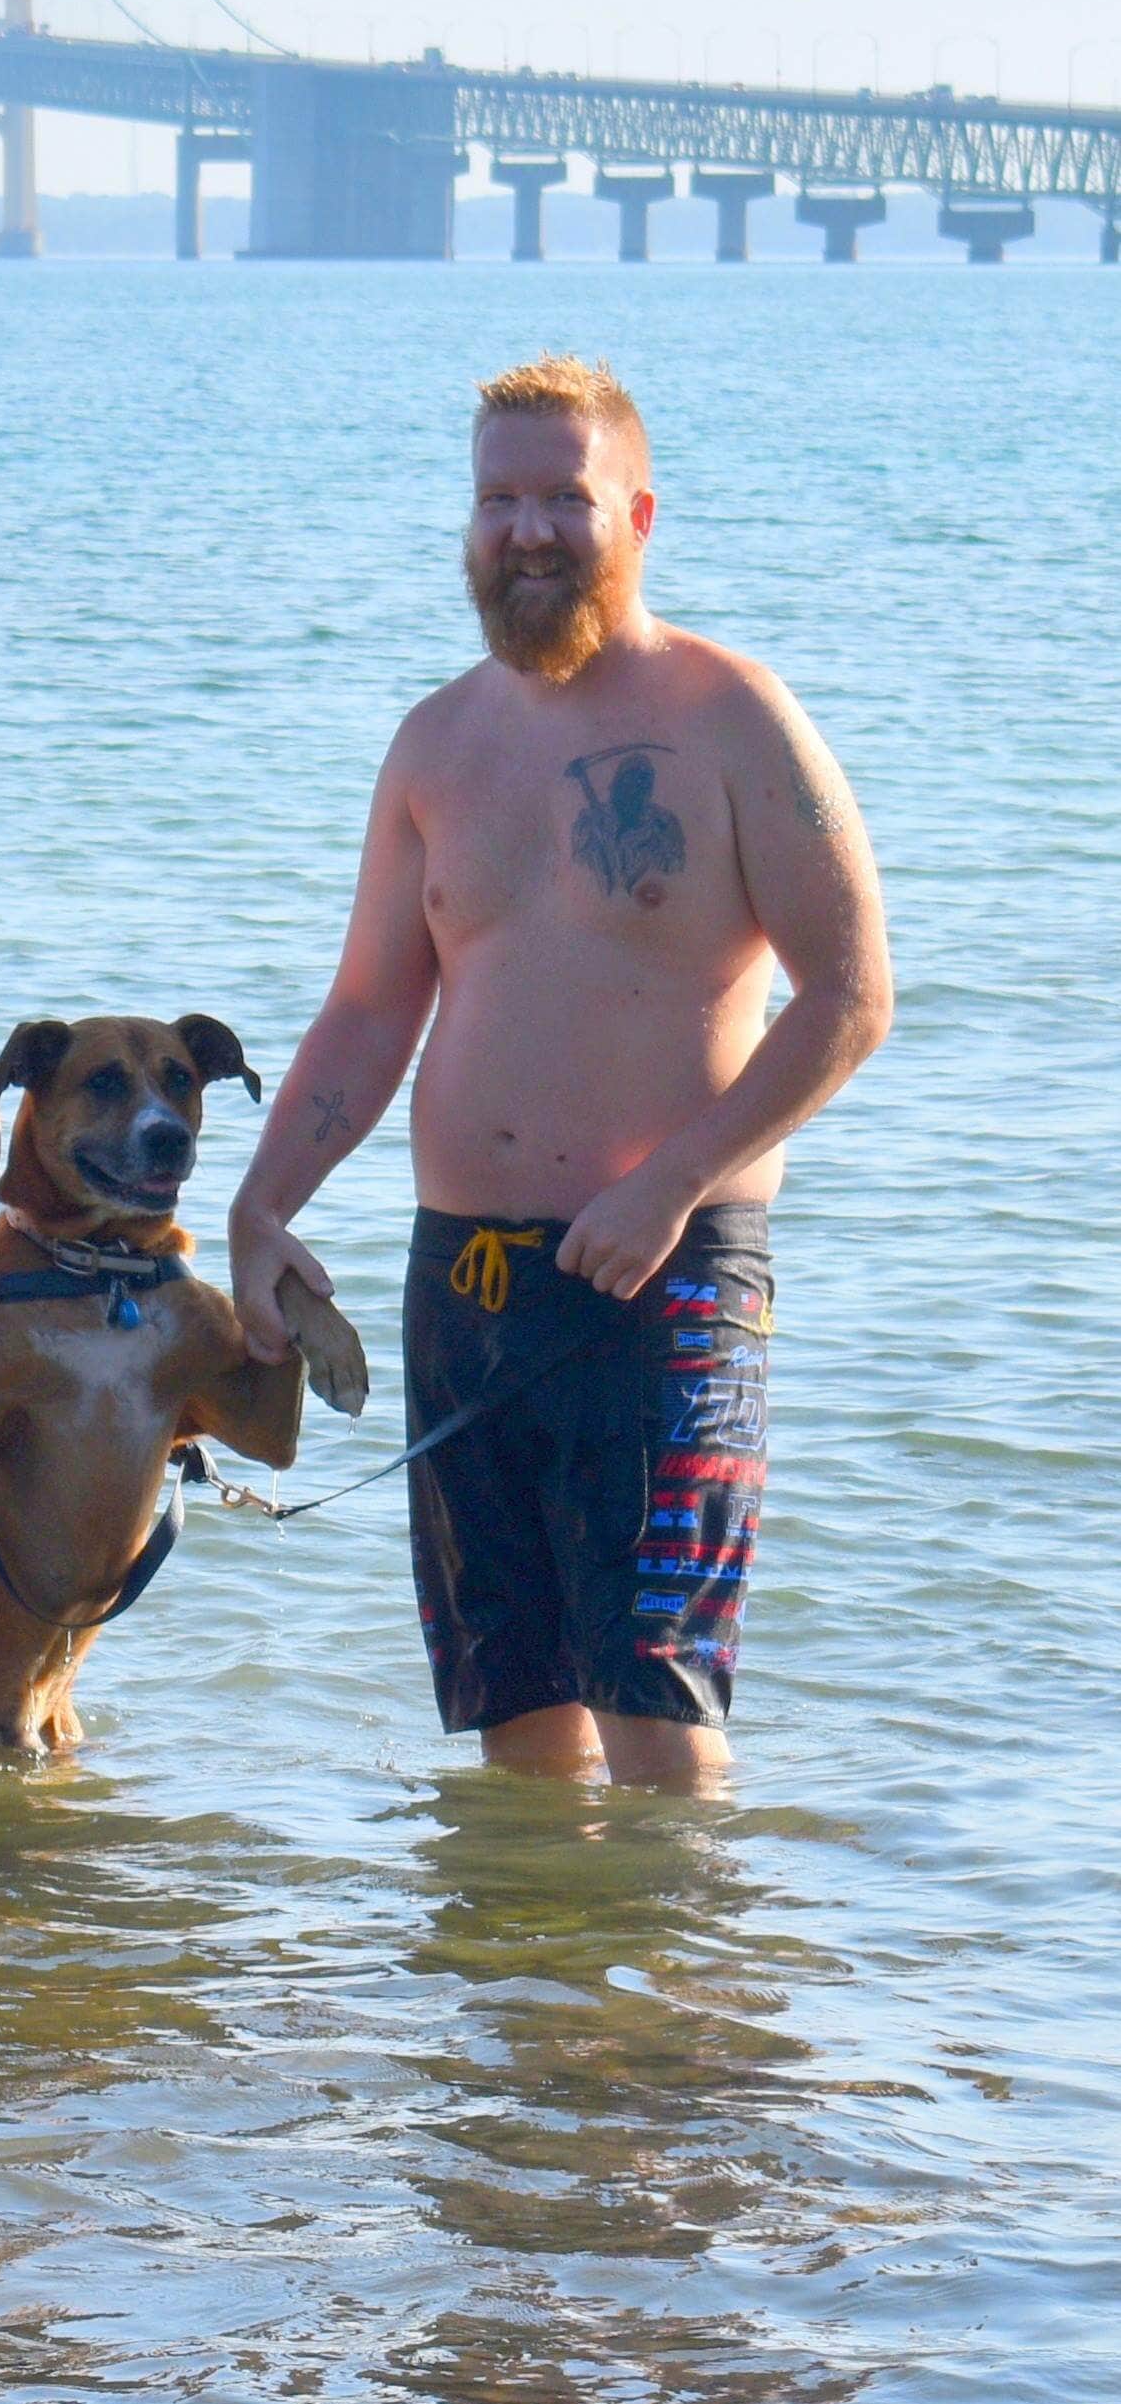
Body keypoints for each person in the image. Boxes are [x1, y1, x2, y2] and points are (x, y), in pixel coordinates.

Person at [229, 355, 892, 1791]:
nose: (525, 530)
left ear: (635, 514)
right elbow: (363, 1008)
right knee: (512, 1716)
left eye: (562, 499)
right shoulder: (435, 743)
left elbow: (846, 995)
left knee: (655, 1707)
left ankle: (676, 2020)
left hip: (659, 1274)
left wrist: (669, 1184)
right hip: (458, 1278)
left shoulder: (729, 716)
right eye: (496, 499)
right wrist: (261, 1202)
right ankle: (536, 2013)